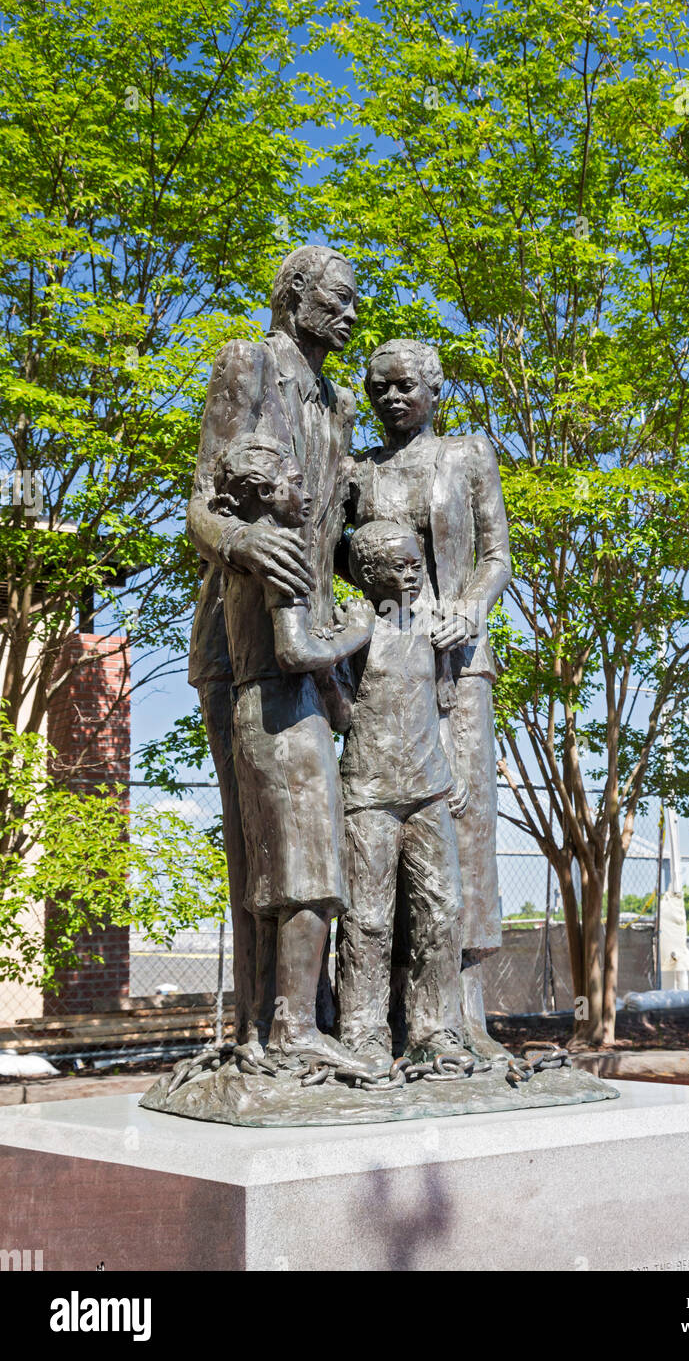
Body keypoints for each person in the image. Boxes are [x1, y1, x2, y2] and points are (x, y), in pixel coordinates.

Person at [187, 245, 358, 1051]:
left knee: (317, 841)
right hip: (243, 638)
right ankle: (265, 1031)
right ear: (295, 297)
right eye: (339, 299)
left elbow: (337, 534)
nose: (352, 314)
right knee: (262, 842)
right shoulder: (247, 364)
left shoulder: (341, 402)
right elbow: (200, 508)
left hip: (319, 642)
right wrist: (243, 542)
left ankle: (305, 1020)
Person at [343, 339, 512, 1057]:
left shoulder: (468, 456)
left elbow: (497, 555)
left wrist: (469, 608)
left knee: (463, 829)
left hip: (458, 661)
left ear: (435, 389)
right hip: (383, 663)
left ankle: (461, 1020)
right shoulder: (359, 470)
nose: (391, 398)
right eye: (379, 388)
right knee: (380, 834)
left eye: (405, 384)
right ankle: (378, 1023)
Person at [212, 426, 375, 1072]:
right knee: (308, 883)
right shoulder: (281, 550)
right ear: (262, 492)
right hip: (284, 720)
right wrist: (356, 630)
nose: (306, 492)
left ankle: (273, 1025)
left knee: (280, 883)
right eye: (294, 481)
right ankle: (296, 1030)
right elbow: (296, 651)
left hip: (265, 716)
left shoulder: (244, 557)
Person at [334, 520, 467, 1070]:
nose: (413, 574)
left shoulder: (437, 629)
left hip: (429, 787)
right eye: (400, 565)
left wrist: (452, 764)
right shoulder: (352, 626)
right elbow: (340, 715)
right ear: (368, 573)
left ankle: (435, 1032)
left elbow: (442, 707)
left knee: (442, 910)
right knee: (368, 919)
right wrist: (341, 648)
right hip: (369, 791)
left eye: (418, 564)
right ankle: (363, 1035)